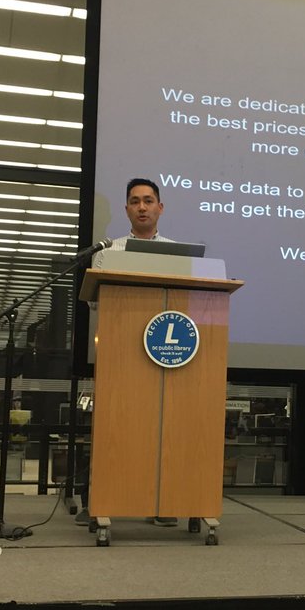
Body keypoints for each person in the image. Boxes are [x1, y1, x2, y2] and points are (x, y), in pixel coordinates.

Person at [76, 178, 178, 527]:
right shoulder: (108, 253)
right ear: (126, 209)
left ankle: (161, 501)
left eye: (149, 200)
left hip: (164, 353)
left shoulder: (177, 254)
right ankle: (99, 500)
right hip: (119, 355)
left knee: (160, 430)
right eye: (135, 201)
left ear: (160, 208)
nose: (142, 207)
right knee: (113, 429)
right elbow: (95, 303)